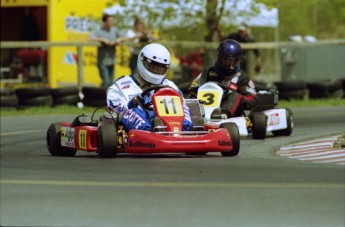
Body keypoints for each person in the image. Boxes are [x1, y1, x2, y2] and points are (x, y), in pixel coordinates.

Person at [106, 43, 193, 131]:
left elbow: (182, 106)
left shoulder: (170, 86)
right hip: (139, 128)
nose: (156, 71)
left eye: (161, 68)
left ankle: (187, 129)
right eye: (153, 67)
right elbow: (117, 111)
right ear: (142, 60)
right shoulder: (121, 85)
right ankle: (150, 130)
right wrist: (132, 103)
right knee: (133, 111)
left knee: (183, 107)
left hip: (171, 123)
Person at [189, 39, 256, 118]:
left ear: (238, 60)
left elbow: (251, 97)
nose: (229, 65)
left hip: (231, 114)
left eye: (233, 61)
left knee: (236, 95)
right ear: (219, 58)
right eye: (226, 60)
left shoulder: (242, 77)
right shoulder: (207, 73)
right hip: (205, 110)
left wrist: (240, 99)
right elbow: (193, 89)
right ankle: (195, 116)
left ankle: (222, 115)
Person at [88, 14, 122, 88]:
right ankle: (100, 97)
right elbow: (90, 38)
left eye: (112, 21)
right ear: (105, 22)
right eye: (109, 21)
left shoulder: (114, 30)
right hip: (102, 61)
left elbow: (122, 36)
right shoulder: (99, 31)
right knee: (106, 82)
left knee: (111, 83)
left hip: (111, 61)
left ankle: (103, 97)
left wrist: (119, 39)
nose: (111, 22)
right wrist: (101, 39)